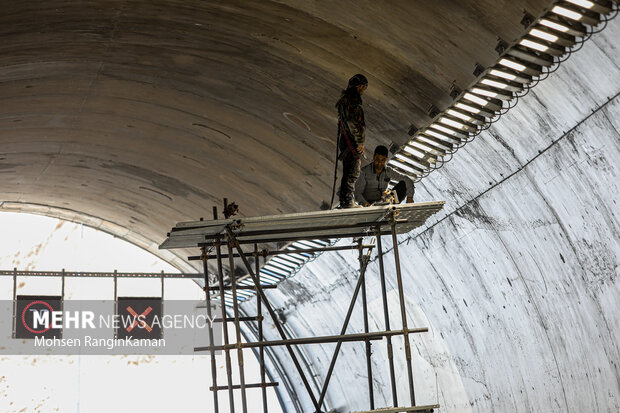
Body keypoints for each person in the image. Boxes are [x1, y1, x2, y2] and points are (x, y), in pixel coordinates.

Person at [336, 74, 368, 208]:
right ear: (360, 87)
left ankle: (345, 200)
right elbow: (355, 124)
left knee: (348, 170)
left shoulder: (344, 101)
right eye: (364, 87)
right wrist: (360, 142)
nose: (364, 90)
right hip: (351, 141)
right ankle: (348, 201)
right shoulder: (354, 103)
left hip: (344, 139)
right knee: (353, 171)